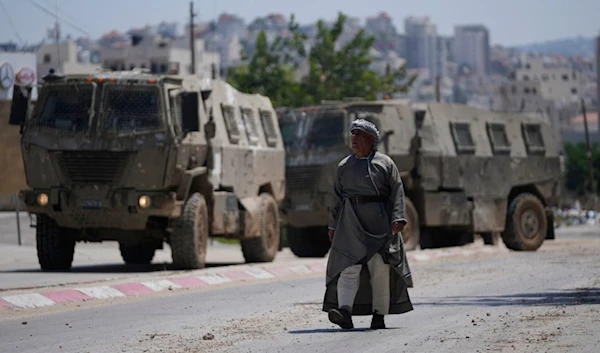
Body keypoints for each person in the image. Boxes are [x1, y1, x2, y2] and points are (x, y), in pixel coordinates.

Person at [322, 118, 413, 330]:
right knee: (348, 267)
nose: (354, 138)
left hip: (380, 224)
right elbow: (336, 198)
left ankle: (379, 315)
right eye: (352, 134)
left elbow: (397, 192)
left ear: (371, 140)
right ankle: (344, 312)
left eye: (359, 135)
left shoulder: (386, 163)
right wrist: (333, 226)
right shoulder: (344, 166)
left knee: (379, 270)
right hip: (350, 223)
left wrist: (398, 218)